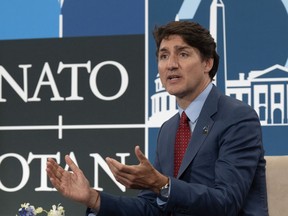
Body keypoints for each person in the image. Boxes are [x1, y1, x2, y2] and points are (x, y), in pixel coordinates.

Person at [46, 20, 268, 216]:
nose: (171, 64)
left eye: (183, 54)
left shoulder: (237, 117)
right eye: (164, 56)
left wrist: (163, 184)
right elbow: (151, 208)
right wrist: (94, 198)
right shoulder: (169, 129)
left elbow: (226, 203)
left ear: (207, 63)